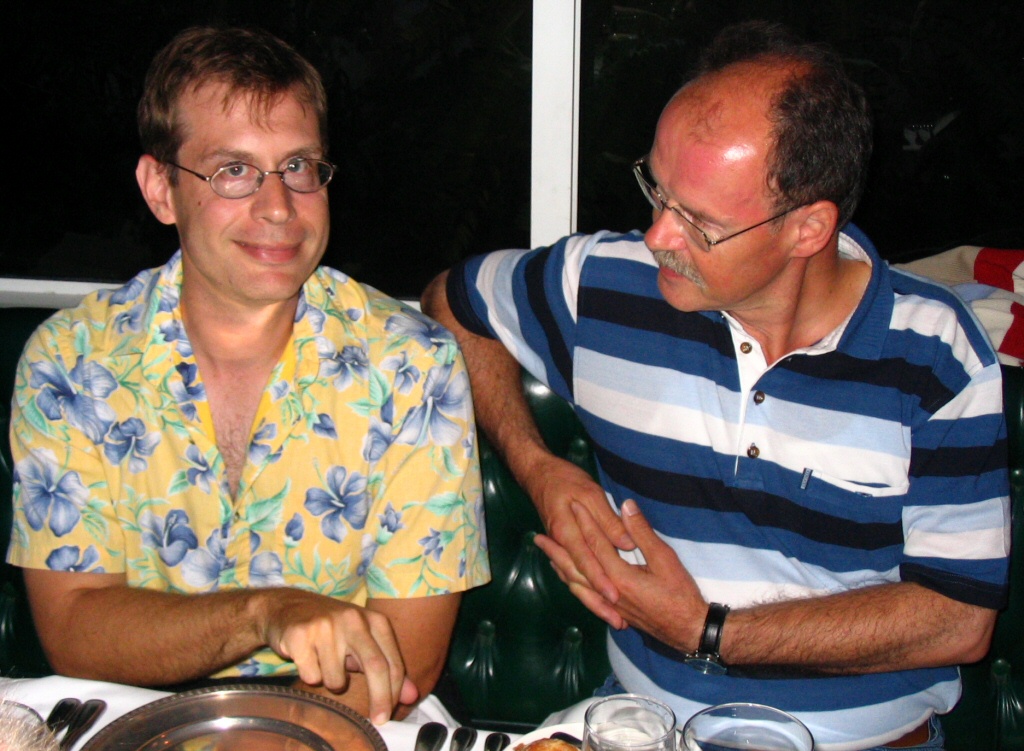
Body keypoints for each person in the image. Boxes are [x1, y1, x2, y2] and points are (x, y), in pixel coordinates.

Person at [422, 20, 1009, 750]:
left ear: (808, 229)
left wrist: (706, 631)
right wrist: (538, 467)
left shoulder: (936, 355)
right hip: (644, 729)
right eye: (657, 190)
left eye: (698, 222)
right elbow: (451, 302)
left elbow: (958, 619)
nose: (657, 237)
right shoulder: (603, 285)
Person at [7, 25, 489, 725]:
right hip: (137, 716)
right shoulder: (72, 363)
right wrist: (264, 612)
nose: (279, 206)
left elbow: (405, 662)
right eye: (234, 170)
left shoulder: (412, 365)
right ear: (161, 189)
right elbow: (75, 628)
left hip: (344, 719)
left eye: (298, 166)